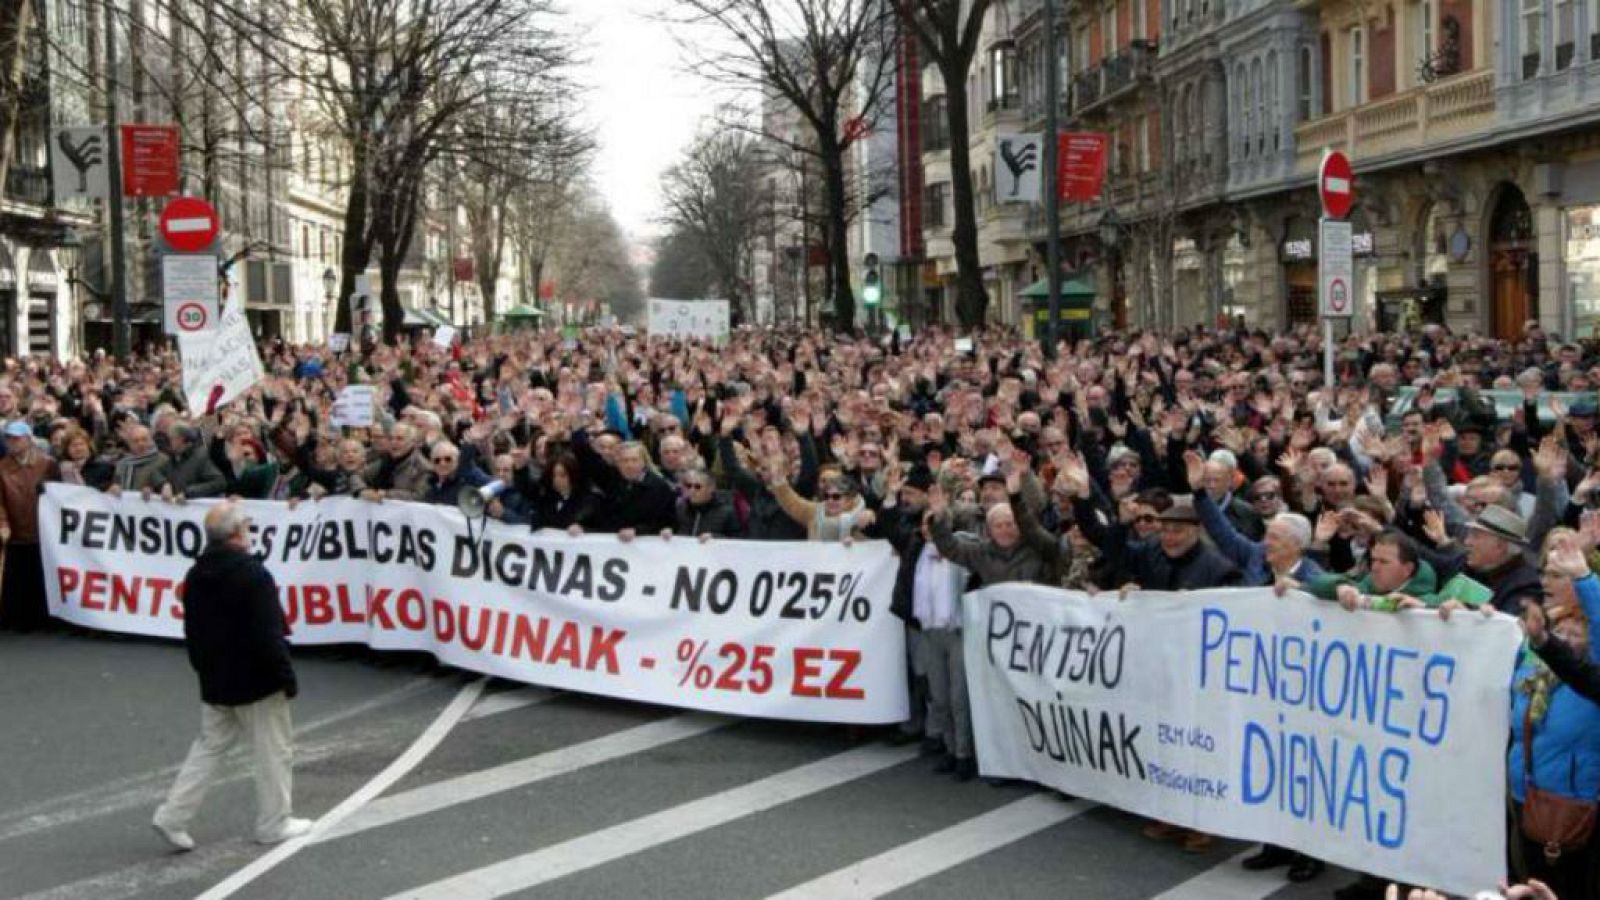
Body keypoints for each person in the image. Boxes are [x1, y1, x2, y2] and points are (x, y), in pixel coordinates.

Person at [152, 502, 311, 851]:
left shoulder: (196, 574)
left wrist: (204, 671)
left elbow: (191, 630)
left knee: (208, 748)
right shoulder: (253, 575)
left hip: (216, 678)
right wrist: (286, 677)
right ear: (239, 534)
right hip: (257, 679)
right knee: (273, 751)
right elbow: (267, 633)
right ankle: (274, 822)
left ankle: (173, 815)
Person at [1508, 530, 1600, 900]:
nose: (1565, 640)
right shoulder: (1536, 643)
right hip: (1524, 793)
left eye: (1574, 634)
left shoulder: (1590, 668)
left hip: (1574, 808)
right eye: (1558, 633)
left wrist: (1584, 578)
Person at [0, 421, 59, 631]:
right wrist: (3, 524)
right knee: (15, 577)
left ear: (28, 439)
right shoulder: (2, 467)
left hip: (42, 531)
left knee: (40, 576)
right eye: (9, 438)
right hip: (15, 530)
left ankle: (42, 619)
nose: (12, 442)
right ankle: (15, 619)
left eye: (17, 438)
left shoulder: (47, 464)